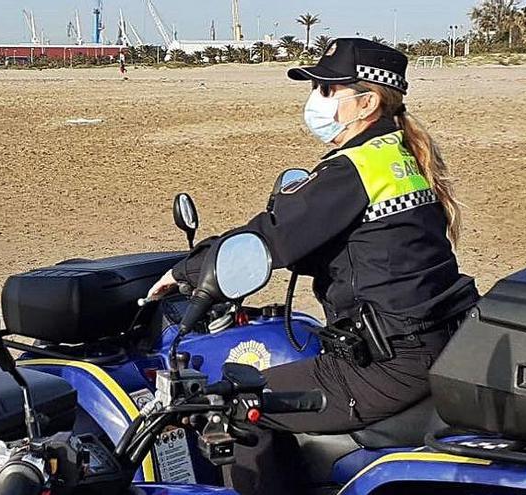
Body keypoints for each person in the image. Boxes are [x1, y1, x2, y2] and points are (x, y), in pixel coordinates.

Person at [147, 38, 479, 493]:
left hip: (388, 364)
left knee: (240, 404)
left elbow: (272, 236)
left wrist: (184, 273)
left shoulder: (355, 168)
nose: (315, 100)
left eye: (327, 90)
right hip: (437, 344)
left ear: (366, 102)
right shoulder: (398, 156)